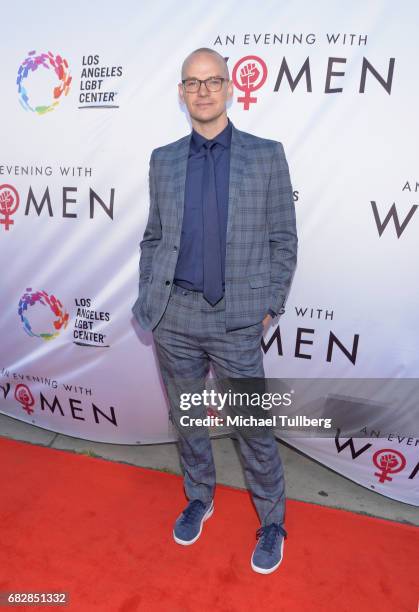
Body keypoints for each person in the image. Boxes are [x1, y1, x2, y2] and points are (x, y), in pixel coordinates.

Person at [132, 47, 298, 574]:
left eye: (212, 81)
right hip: (174, 315)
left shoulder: (266, 154)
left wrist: (269, 304)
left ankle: (272, 520)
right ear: (181, 94)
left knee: (252, 425)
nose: (203, 91)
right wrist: (151, 300)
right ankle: (199, 497)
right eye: (192, 83)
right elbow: (155, 235)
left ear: (230, 88)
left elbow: (283, 239)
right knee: (187, 420)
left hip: (237, 319)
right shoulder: (162, 160)